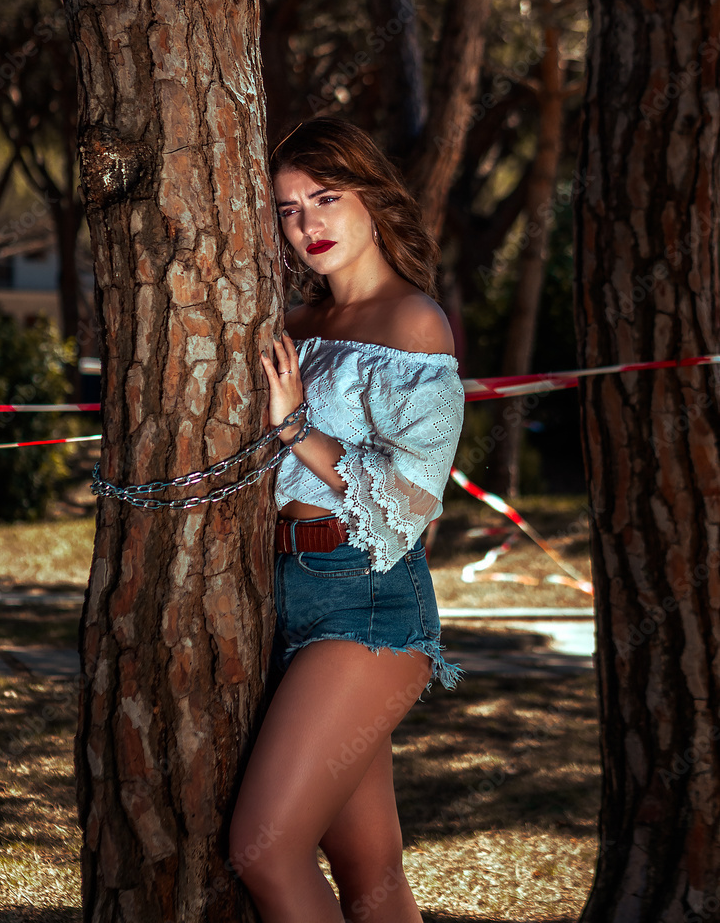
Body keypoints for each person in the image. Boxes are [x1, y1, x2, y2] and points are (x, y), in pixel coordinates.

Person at [229, 118, 465, 922]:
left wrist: (297, 426)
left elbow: (409, 499)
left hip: (366, 599)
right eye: (289, 209)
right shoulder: (294, 324)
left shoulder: (413, 323)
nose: (307, 226)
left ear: (372, 199)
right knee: (370, 875)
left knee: (263, 850)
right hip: (280, 592)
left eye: (325, 198)